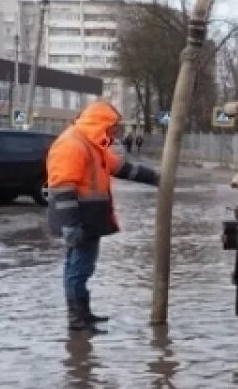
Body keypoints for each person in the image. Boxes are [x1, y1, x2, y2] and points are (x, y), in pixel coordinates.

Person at [47, 101, 160, 332]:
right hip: (80, 220)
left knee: (80, 269)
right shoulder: (73, 144)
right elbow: (62, 187)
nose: (115, 132)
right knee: (78, 270)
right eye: (112, 127)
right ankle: (78, 321)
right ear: (100, 124)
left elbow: (121, 168)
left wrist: (156, 177)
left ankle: (83, 316)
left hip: (88, 219)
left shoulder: (91, 144)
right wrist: (71, 224)